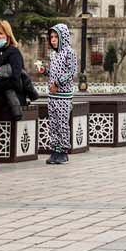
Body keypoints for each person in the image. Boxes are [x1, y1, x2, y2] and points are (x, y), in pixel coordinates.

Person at [0, 19, 28, 167]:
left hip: (10, 94)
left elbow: (15, 79)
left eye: (0, 33)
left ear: (7, 35)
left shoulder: (13, 52)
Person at [44, 23, 77, 164]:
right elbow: (53, 73)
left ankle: (63, 151)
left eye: (56, 37)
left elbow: (71, 72)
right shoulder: (53, 54)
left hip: (63, 96)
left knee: (63, 124)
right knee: (54, 124)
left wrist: (57, 83)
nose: (53, 39)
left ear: (63, 36)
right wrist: (45, 71)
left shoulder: (70, 52)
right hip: (52, 96)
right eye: (51, 37)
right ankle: (55, 150)